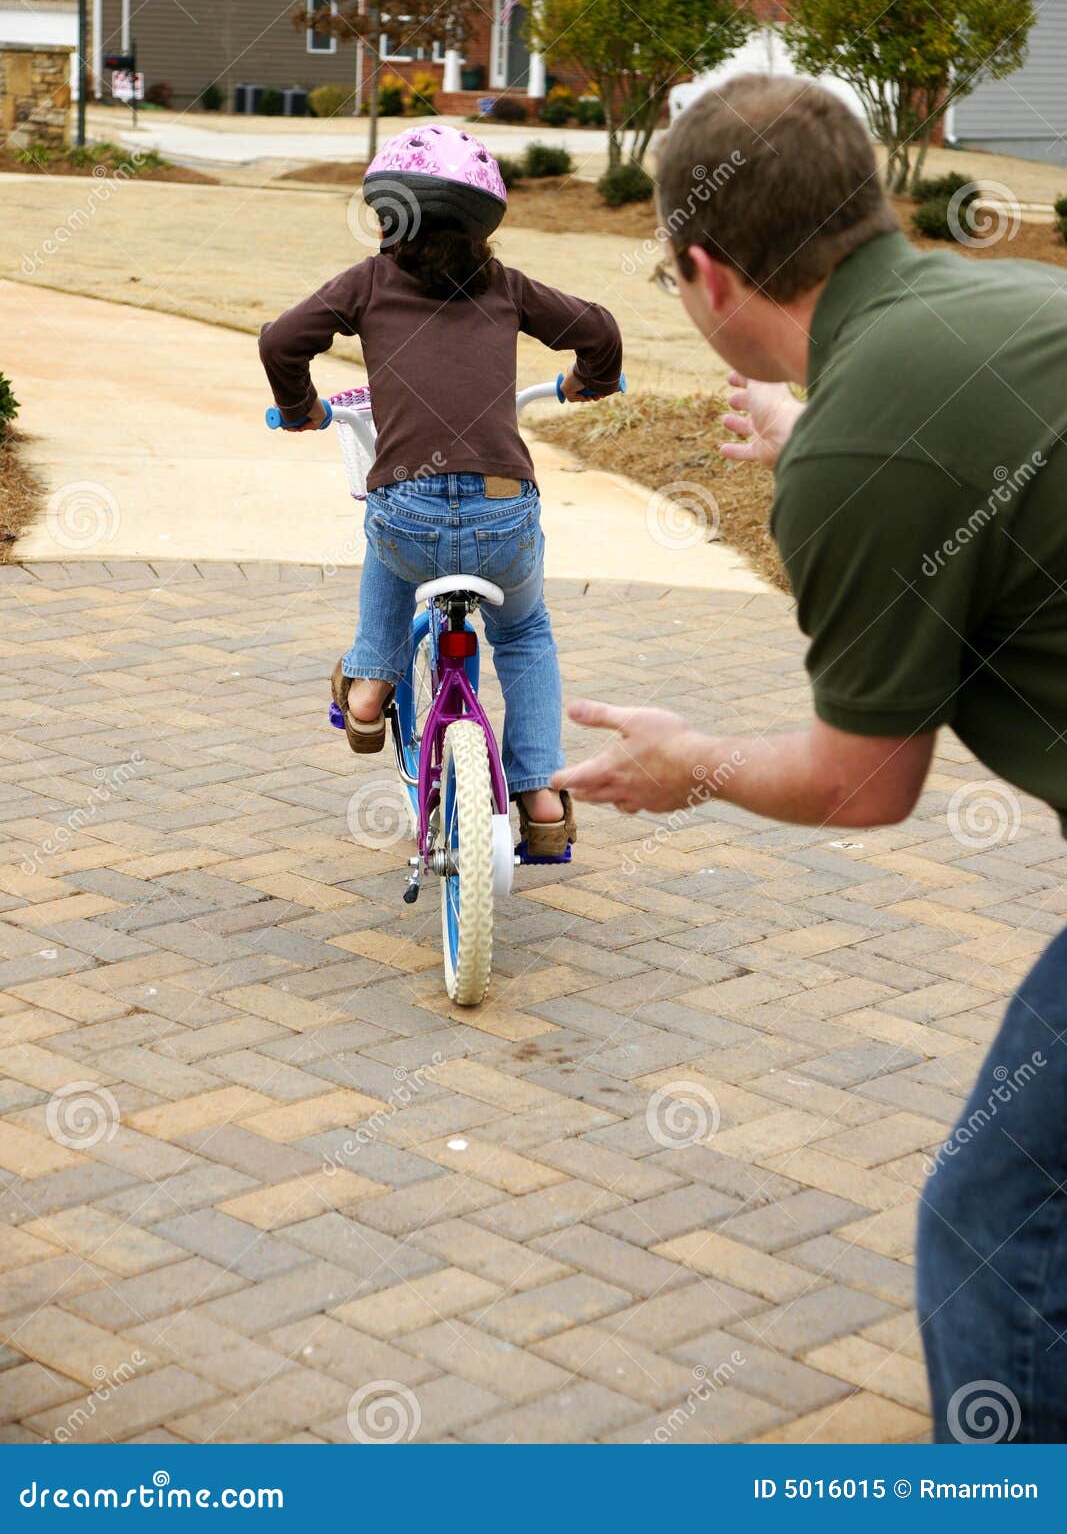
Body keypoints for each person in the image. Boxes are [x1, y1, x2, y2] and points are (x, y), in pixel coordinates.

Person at [553, 75, 1067, 1441]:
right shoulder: (1002, 311)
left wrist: (692, 761)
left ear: (706, 272)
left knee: (997, 1221)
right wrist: (819, 434)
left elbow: (861, 782)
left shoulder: (863, 444)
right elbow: (953, 439)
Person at [259, 122, 623, 859]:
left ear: (388, 218)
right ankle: (540, 798)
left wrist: (299, 409)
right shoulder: (507, 287)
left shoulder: (366, 282)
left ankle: (367, 687)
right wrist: (590, 381)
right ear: (483, 227)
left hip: (409, 509)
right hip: (501, 511)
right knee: (523, 634)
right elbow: (599, 328)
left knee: (389, 532)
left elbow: (279, 341)